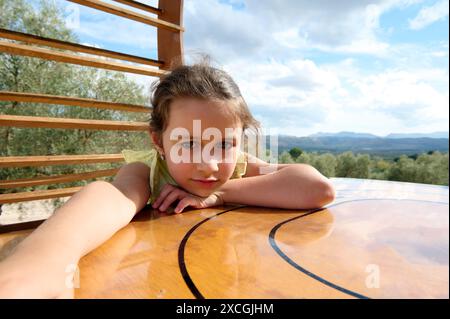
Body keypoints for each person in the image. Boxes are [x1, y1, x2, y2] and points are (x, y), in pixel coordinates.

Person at [0, 62, 335, 298]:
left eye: (224, 144)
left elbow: (317, 188)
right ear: (159, 142)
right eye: (188, 143)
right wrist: (49, 261)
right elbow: (111, 197)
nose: (209, 165)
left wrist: (219, 194)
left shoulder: (239, 167)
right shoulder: (147, 171)